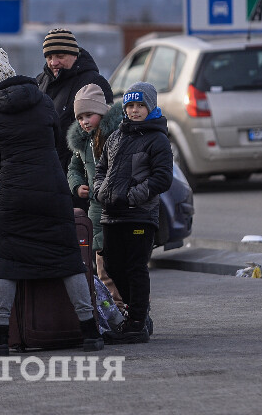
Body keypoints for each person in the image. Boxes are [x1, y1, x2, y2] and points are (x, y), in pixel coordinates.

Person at [0, 45, 103, 355]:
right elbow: (58, 143)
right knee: (68, 259)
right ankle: (89, 332)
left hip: (15, 194)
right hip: (52, 189)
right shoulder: (43, 101)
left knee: (8, 264)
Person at [94, 81, 173, 344]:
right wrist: (99, 191)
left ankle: (136, 322)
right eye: (130, 105)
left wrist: (132, 197)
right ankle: (139, 313)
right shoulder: (115, 137)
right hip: (111, 213)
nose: (135, 110)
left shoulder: (158, 138)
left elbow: (162, 178)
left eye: (140, 105)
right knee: (113, 266)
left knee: (136, 267)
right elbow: (101, 169)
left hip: (139, 215)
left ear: (151, 107)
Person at [65, 82, 126, 308]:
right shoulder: (83, 144)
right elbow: (73, 169)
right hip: (95, 209)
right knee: (100, 264)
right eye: (80, 117)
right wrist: (78, 185)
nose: (84, 122)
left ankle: (125, 306)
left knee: (115, 262)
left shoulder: (117, 136)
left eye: (89, 115)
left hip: (117, 207)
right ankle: (115, 308)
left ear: (101, 112)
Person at [35, 28, 115, 186]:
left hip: (78, 179)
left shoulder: (94, 83)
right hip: (44, 175)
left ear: (74, 54)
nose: (53, 62)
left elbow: (104, 136)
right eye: (49, 57)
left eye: (60, 56)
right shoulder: (40, 82)